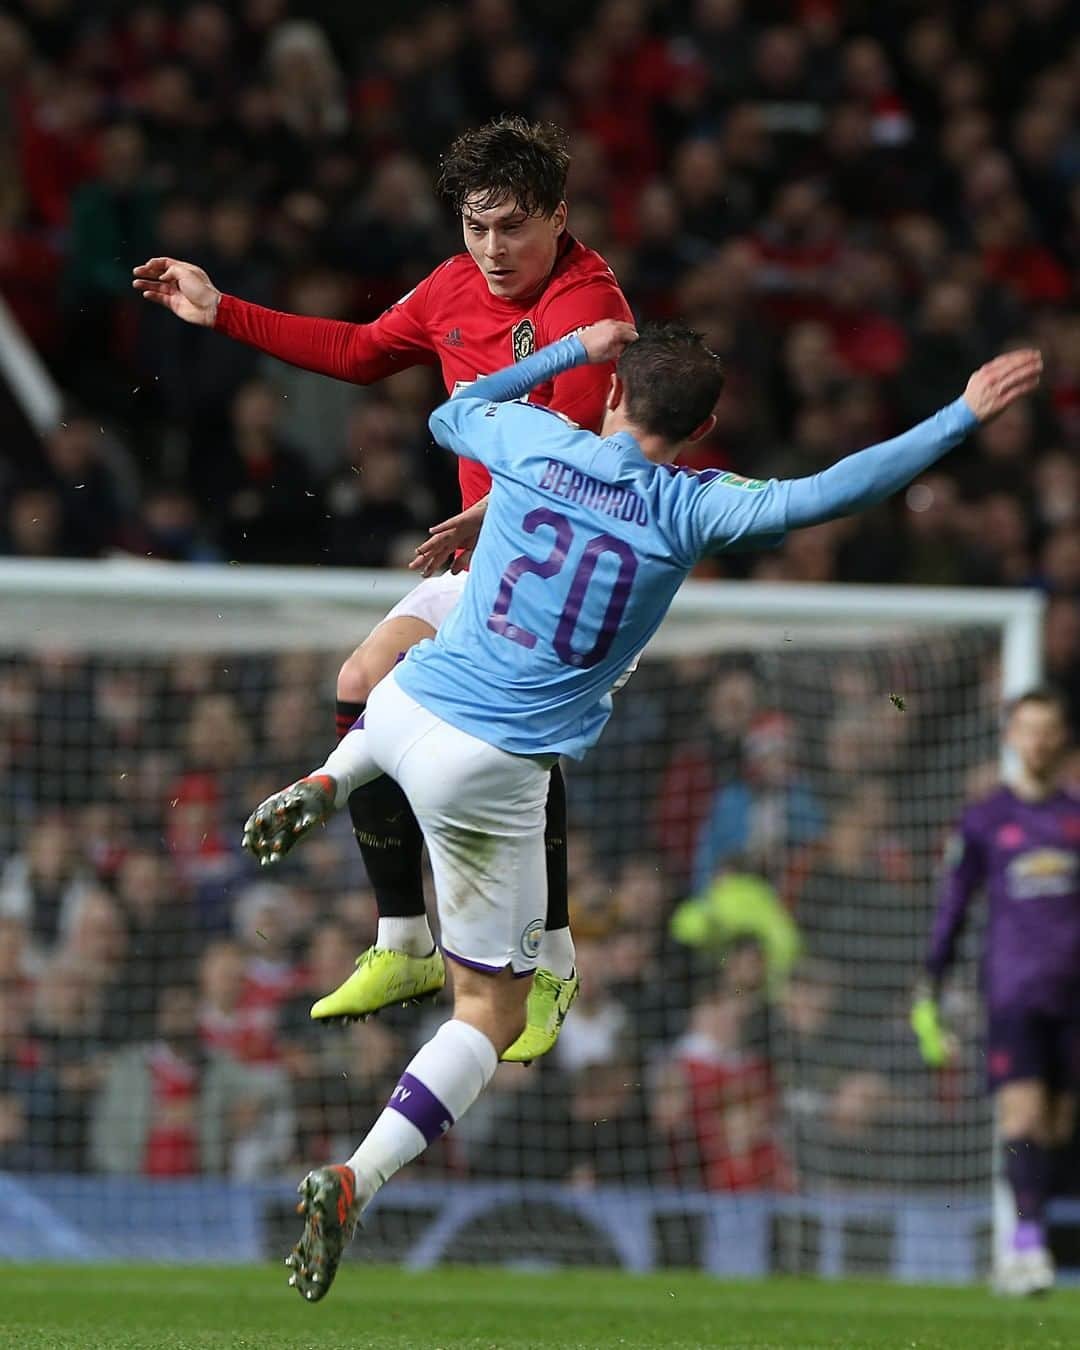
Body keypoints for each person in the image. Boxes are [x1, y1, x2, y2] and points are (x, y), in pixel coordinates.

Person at [241, 319, 1040, 1302]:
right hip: (489, 765)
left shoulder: (540, 441)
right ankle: (356, 1176)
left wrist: (567, 354)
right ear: (703, 428)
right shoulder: (695, 507)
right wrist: (959, 413)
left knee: (429, 678)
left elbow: (450, 413)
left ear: (614, 396)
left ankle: (331, 777)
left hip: (400, 702)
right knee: (488, 1009)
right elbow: (836, 492)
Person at [132, 116, 633, 1059]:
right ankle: (403, 939)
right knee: (359, 682)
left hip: (569, 574)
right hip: (488, 562)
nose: (491, 250)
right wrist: (220, 309)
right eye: (475, 227)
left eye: (513, 227)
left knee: (508, 743)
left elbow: (586, 464)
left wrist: (494, 514)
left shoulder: (587, 309)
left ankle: (553, 959)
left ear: (559, 217)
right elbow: (362, 352)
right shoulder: (452, 285)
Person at [912, 688, 1079, 1296]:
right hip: (1012, 991)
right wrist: (933, 976)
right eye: (1026, 729)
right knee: (1023, 1114)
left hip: (1073, 995)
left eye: (1047, 729)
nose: (1036, 740)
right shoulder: (986, 818)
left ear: (1060, 738)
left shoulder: (1075, 816)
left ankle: (1029, 1233)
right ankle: (1026, 1247)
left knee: (1057, 1129)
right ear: (1009, 737)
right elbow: (955, 903)